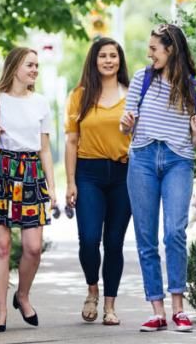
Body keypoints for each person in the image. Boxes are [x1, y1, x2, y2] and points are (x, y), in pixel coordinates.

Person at [119, 24, 196, 332]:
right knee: (146, 237)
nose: (149, 54)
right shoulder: (142, 80)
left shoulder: (194, 87)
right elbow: (126, 128)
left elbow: (195, 140)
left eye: (155, 49)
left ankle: (178, 308)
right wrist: (126, 123)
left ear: (170, 50)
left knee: (174, 232)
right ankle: (156, 310)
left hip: (178, 161)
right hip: (142, 158)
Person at [0, 47, 57, 333]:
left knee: (32, 248)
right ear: (14, 66)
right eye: (30, 65)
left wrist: (52, 187)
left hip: (30, 172)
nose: (34, 70)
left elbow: (44, 148)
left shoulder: (41, 102)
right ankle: (1, 310)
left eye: (37, 66)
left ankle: (22, 295)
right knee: (2, 247)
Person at [65, 37, 132, 326]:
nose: (108, 60)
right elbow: (71, 141)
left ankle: (110, 306)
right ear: (94, 61)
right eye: (103, 55)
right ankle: (92, 289)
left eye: (113, 56)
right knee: (90, 240)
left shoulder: (132, 94)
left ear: (120, 60)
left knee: (114, 243)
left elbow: (141, 139)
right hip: (88, 173)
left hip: (123, 175)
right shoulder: (79, 95)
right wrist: (70, 182)